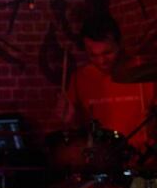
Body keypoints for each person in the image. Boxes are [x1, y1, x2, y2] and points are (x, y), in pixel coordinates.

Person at [61, 12, 155, 154]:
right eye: (93, 55)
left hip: (141, 162)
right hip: (101, 163)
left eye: (107, 53)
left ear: (119, 44)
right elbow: (75, 133)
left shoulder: (145, 72)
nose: (101, 61)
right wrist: (69, 121)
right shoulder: (79, 79)